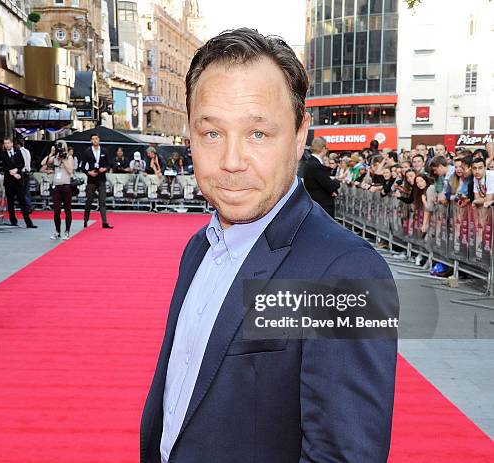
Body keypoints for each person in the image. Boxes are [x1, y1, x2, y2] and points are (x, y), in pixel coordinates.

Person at [141, 28, 398, 463]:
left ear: (299, 136)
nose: (232, 160)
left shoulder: (345, 272)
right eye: (211, 133)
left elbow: (344, 454)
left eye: (258, 133)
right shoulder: (198, 249)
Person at [0, 137, 37, 228]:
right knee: (10, 202)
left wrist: (17, 170)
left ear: (12, 143)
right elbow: (4, 166)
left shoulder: (18, 151)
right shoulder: (3, 154)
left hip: (19, 180)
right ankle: (13, 220)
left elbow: (22, 163)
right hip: (9, 181)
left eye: (8, 143)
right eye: (5, 143)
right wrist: (12, 172)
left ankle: (28, 222)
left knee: (22, 200)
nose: (7, 145)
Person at [41, 140, 74, 240]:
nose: (60, 147)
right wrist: (52, 153)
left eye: (62, 145)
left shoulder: (69, 157)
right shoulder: (54, 158)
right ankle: (57, 231)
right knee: (56, 210)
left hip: (66, 186)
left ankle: (67, 231)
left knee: (67, 210)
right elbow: (43, 164)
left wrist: (63, 159)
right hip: (56, 186)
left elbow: (70, 170)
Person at [81, 133, 113, 229]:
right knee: (89, 200)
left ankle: (104, 222)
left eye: (96, 139)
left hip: (101, 179)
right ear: (91, 141)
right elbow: (82, 166)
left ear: (99, 139)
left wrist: (105, 169)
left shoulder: (104, 151)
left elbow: (109, 164)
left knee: (102, 201)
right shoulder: (87, 151)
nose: (95, 140)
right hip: (91, 179)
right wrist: (88, 173)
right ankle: (85, 220)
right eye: (93, 139)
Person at [302, 136, 340, 217]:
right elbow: (330, 185)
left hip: (315, 205)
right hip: (322, 207)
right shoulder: (316, 166)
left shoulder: (309, 163)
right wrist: (337, 181)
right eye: (327, 148)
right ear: (323, 149)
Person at [15, 139, 33, 213]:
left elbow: (22, 163)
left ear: (18, 145)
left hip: (22, 172)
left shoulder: (20, 152)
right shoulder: (27, 151)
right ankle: (28, 206)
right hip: (27, 172)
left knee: (22, 191)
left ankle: (26, 207)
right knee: (26, 191)